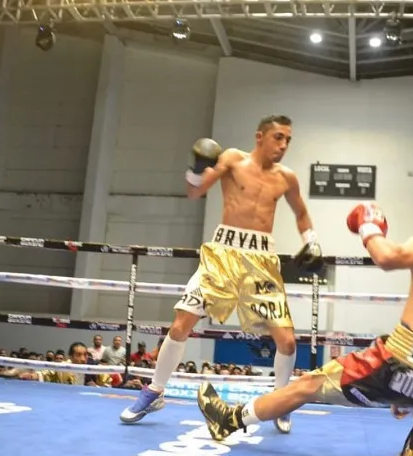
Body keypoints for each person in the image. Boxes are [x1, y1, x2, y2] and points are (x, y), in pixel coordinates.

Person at [196, 204, 413, 456]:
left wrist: (368, 226)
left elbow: (386, 257)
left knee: (308, 385)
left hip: (401, 365)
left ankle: (230, 419)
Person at [120, 115, 323, 434]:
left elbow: (301, 213)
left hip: (261, 261)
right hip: (223, 255)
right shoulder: (232, 159)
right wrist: (197, 168)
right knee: (180, 323)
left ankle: (280, 402)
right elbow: (194, 191)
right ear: (260, 137)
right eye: (278, 138)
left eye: (288, 140)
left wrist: (311, 242)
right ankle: (155, 391)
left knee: (286, 341)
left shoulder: (287, 177)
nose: (284, 145)